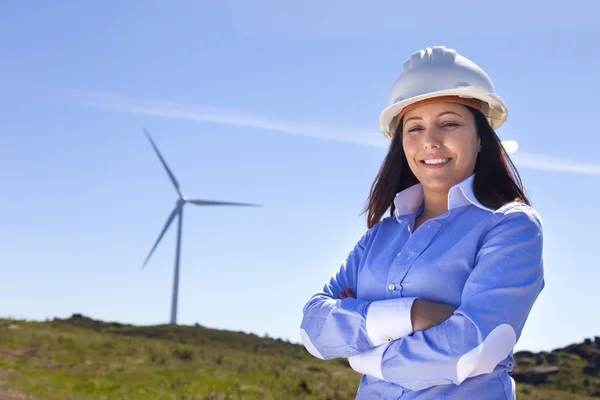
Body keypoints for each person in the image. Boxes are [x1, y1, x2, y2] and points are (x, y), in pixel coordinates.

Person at [299, 46, 545, 399]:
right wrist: (412, 313)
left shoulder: (510, 226)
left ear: (480, 139)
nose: (429, 142)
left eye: (449, 123)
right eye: (414, 128)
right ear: (401, 144)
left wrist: (363, 356)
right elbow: (314, 328)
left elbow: (471, 351)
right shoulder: (379, 236)